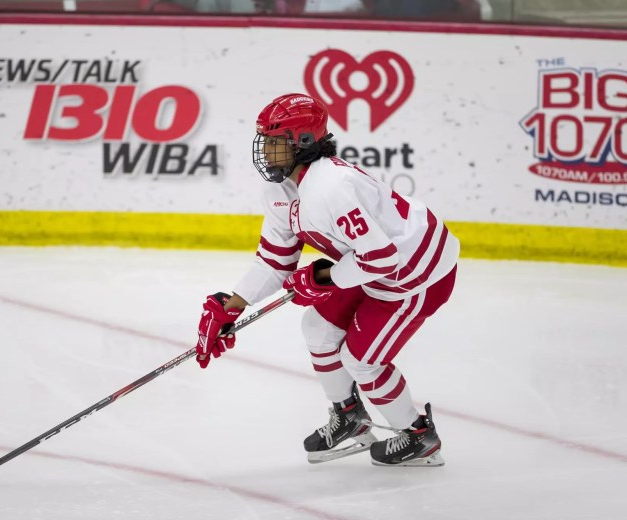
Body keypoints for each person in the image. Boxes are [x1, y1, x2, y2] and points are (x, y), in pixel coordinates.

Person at [194, 93, 459, 466]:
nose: (265, 150)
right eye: (263, 140)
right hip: (371, 266)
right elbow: (275, 260)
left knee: (362, 361)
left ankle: (419, 436)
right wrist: (232, 306)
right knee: (317, 328)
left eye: (274, 141)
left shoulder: (330, 187)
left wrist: (325, 276)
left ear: (303, 141)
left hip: (416, 274)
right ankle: (349, 416)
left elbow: (383, 257)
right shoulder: (280, 190)